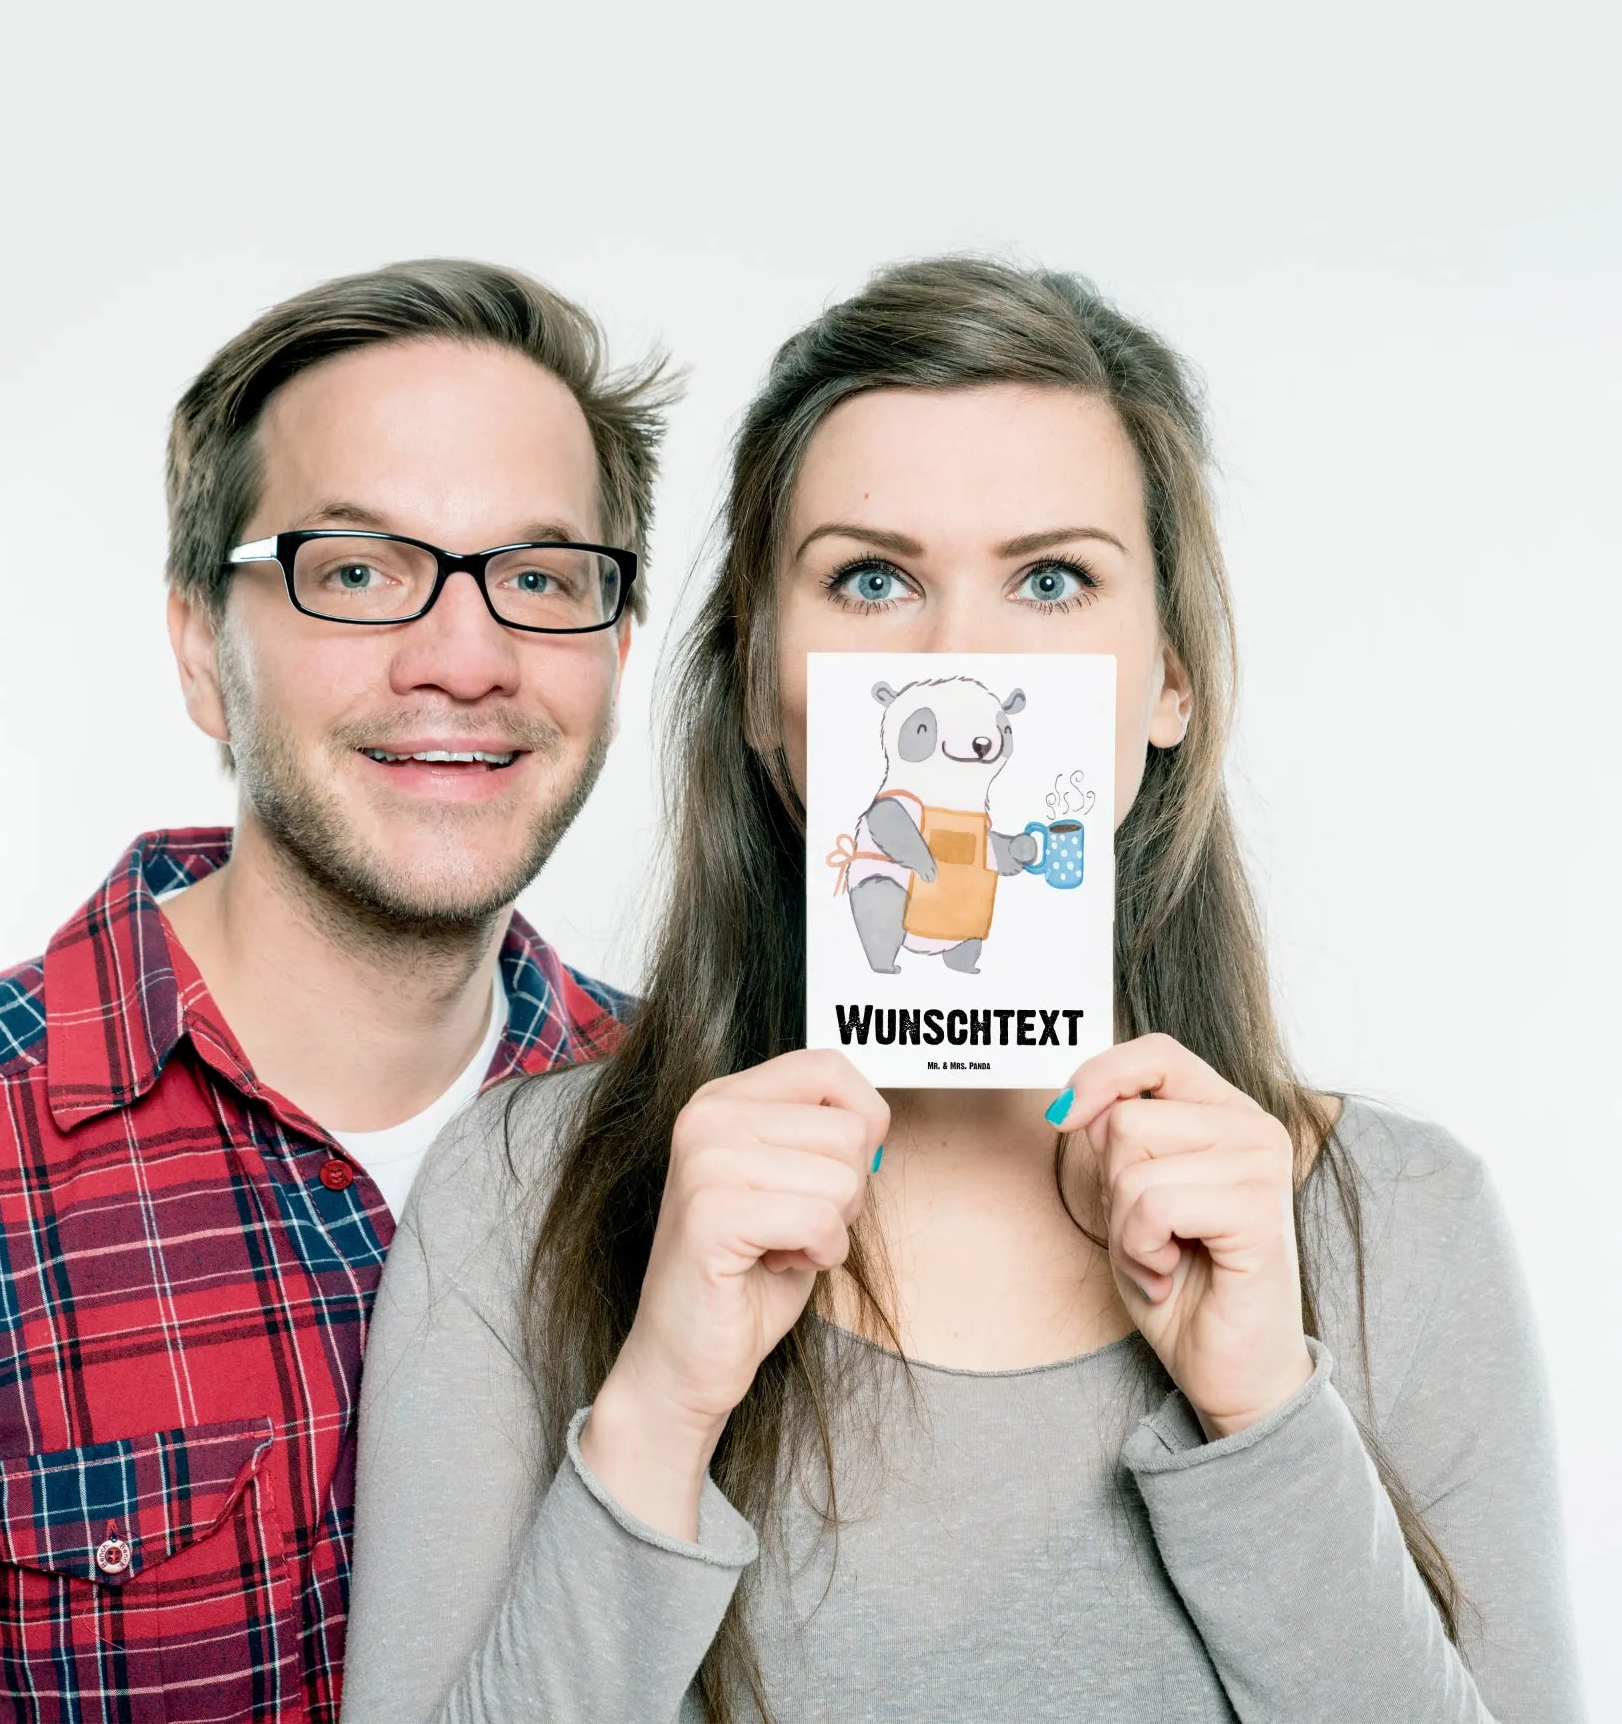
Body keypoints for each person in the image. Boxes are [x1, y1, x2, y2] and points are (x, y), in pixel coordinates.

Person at [339, 257, 1584, 1721]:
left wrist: (1263, 1413)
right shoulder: (519, 1196)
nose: (962, 664)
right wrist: (660, 1404)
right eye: (872, 581)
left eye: (1052, 580)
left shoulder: (1405, 1227)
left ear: (1169, 680)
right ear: (762, 683)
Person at [0, 259, 673, 1722]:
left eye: (541, 580)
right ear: (199, 650)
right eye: (357, 572)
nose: (466, 658)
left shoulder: (689, 1120)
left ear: (615, 646)